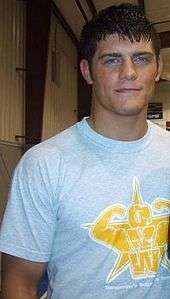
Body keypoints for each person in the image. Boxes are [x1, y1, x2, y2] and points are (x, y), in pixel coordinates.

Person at [0, 3, 170, 299]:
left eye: (141, 59)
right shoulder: (44, 165)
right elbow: (20, 282)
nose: (129, 73)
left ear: (158, 69)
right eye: (112, 60)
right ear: (87, 71)